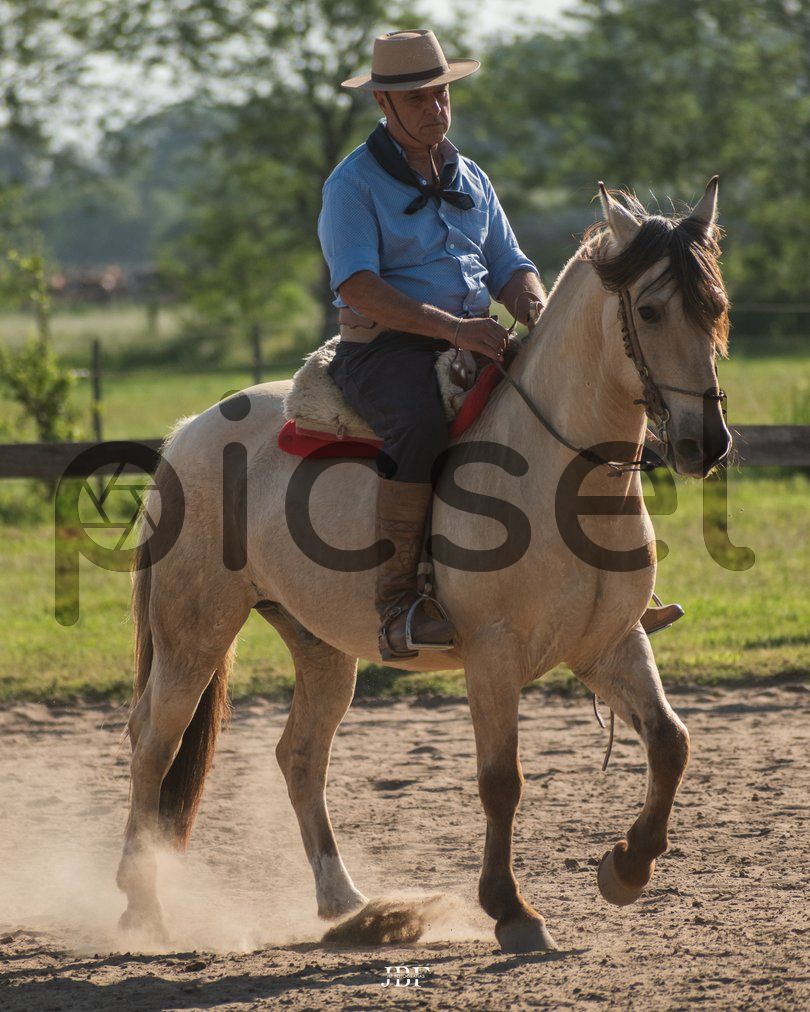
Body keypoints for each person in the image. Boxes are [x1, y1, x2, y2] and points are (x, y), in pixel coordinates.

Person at [317, 29, 681, 661]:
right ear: (382, 102)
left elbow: (510, 265)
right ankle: (398, 602)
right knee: (420, 427)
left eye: (441, 94)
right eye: (418, 98)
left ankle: (611, 590)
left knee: (573, 409)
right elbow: (358, 287)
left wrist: (537, 309)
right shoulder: (351, 185)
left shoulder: (471, 175)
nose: (435, 107)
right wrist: (455, 330)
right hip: (384, 349)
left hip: (475, 337)